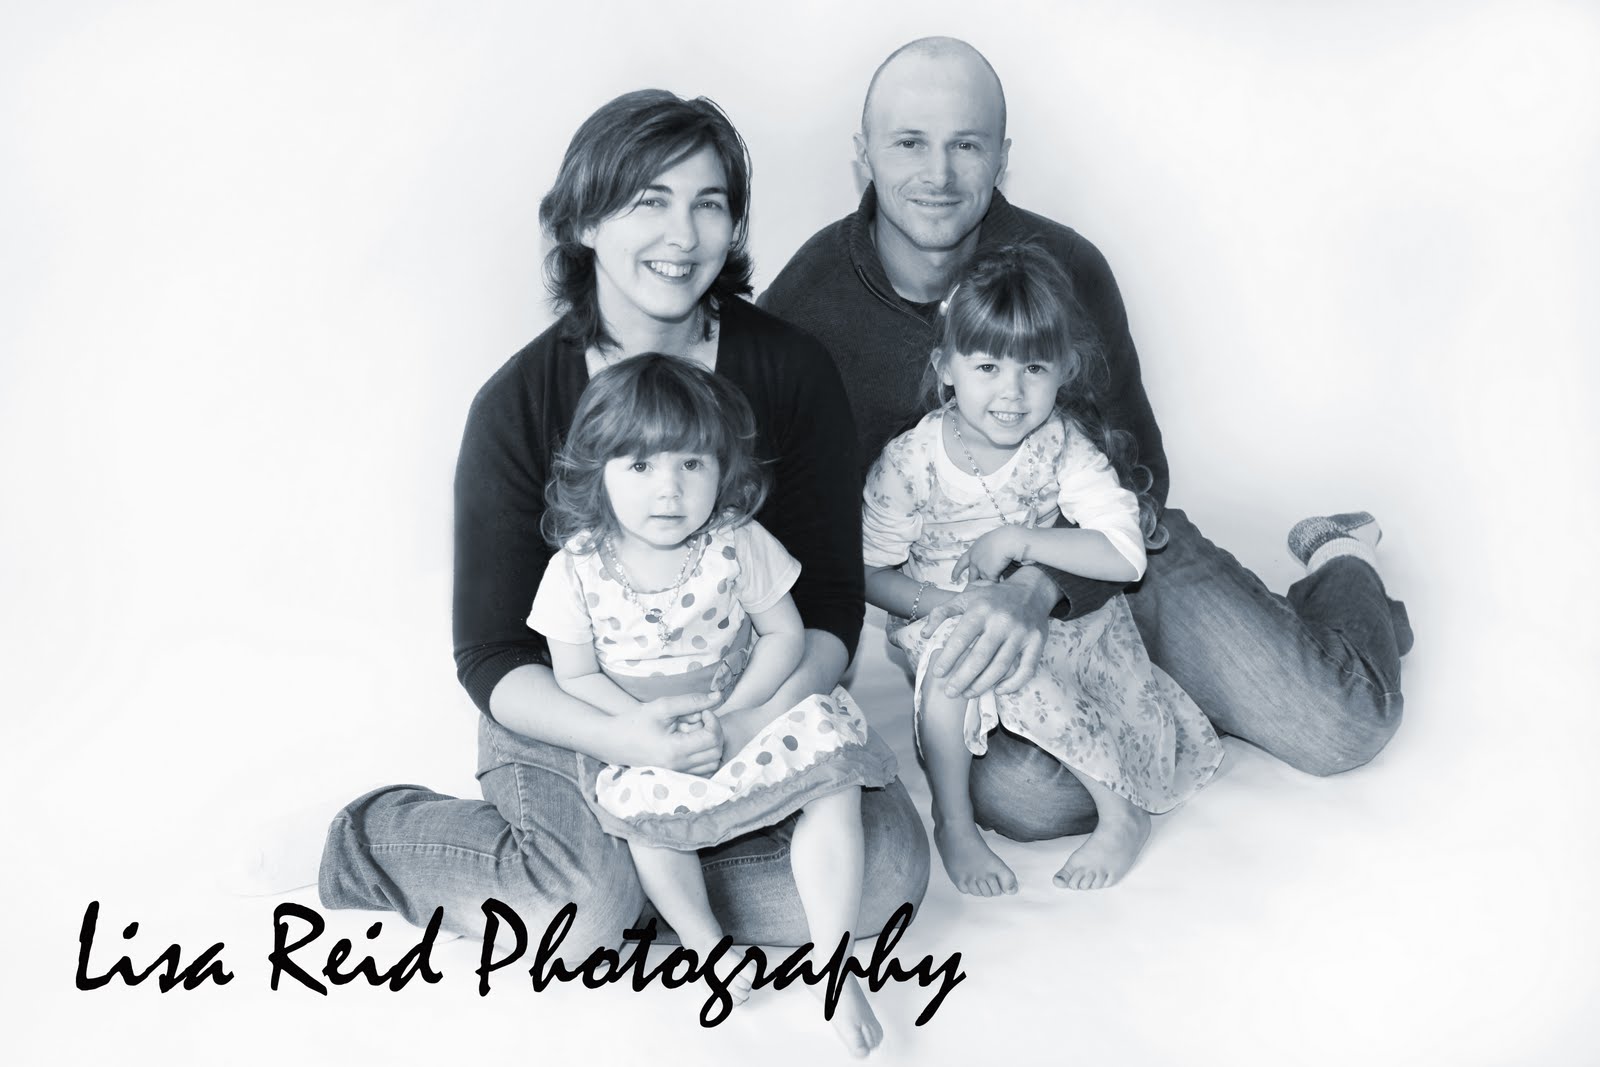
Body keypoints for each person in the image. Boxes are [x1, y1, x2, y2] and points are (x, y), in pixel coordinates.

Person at [318, 89, 929, 965]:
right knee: (578, 914)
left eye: (708, 203)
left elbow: (828, 602)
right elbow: (492, 654)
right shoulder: (518, 404)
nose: (683, 235)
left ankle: (650, 870)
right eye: (649, 200)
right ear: (584, 221)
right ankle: (376, 837)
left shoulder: (790, 370)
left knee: (885, 877)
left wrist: (752, 720)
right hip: (579, 698)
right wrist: (624, 738)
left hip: (746, 692)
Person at [761, 37, 1412, 842]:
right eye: (909, 144)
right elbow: (805, 527)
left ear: (1003, 156)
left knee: (1342, 725)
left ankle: (1340, 560)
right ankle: (1172, 693)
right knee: (1028, 801)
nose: (939, 174)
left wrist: (1039, 585)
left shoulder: (1064, 265)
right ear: (863, 155)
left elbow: (1141, 476)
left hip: (1121, 560)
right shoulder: (808, 302)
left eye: (966, 145)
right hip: (969, 608)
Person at [529, 354, 888, 1053]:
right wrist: (641, 731)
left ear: (723, 468)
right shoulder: (576, 567)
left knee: (834, 782)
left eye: (691, 463)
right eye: (640, 464)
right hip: (641, 731)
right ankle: (705, 945)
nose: (669, 489)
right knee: (647, 825)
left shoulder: (735, 541)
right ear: (596, 472)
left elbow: (785, 634)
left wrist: (740, 716)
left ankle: (836, 961)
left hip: (740, 707)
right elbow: (574, 676)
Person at [863, 244, 1222, 895]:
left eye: (1033, 367)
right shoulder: (910, 465)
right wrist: (946, 605)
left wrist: (1020, 540)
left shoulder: (1060, 446)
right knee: (959, 661)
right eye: (987, 365)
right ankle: (954, 821)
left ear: (1065, 370)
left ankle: (1121, 813)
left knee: (1038, 659)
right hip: (940, 614)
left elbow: (1124, 553)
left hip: (1055, 614)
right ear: (945, 368)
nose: (1011, 391)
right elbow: (867, 571)